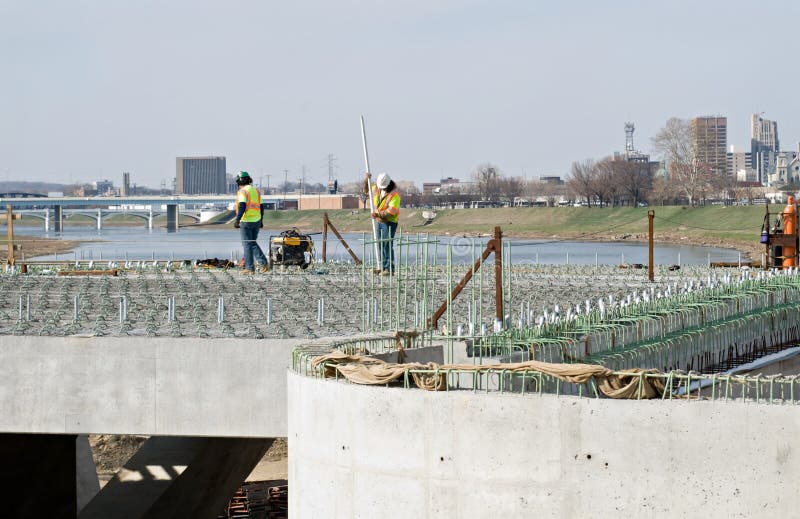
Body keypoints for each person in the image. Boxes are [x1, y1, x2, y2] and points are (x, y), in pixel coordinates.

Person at [364, 171, 401, 275]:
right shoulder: (377, 188)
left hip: (390, 222)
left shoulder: (394, 195)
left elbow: (391, 212)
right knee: (380, 244)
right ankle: (382, 266)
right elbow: (367, 191)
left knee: (386, 245)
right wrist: (366, 180)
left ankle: (389, 269)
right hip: (379, 222)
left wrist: (378, 214)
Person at [234, 171, 268, 274]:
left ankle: (251, 267)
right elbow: (261, 207)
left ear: (240, 181)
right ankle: (261, 264)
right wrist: (261, 220)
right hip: (256, 220)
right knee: (251, 243)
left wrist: (237, 220)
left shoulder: (243, 192)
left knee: (247, 244)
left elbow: (242, 206)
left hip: (246, 220)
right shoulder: (255, 191)